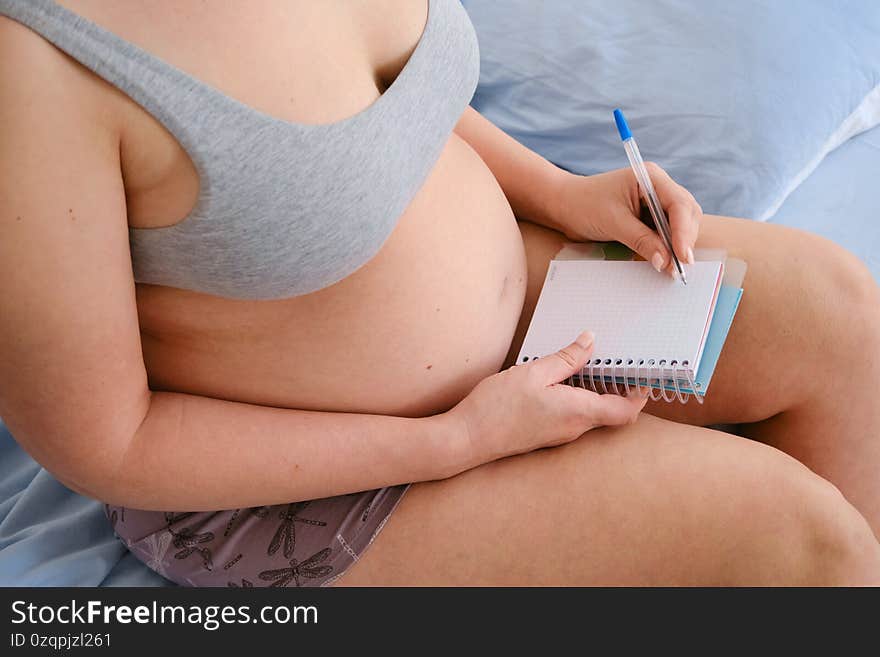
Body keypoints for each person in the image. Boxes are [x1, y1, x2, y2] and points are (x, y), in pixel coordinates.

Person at [1, 0, 878, 587]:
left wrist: (557, 190)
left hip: (521, 305)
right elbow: (110, 441)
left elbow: (394, 89)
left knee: (837, 310)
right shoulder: (32, 68)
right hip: (312, 487)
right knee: (806, 542)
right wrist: (452, 440)